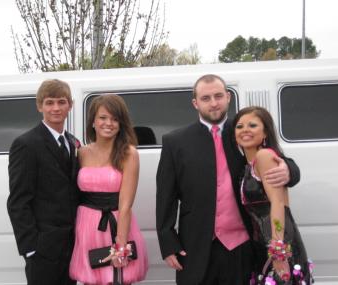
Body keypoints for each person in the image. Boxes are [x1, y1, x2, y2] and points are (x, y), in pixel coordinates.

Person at [156, 74, 301, 285]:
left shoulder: (244, 131)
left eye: (218, 96)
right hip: (195, 246)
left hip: (242, 246)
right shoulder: (175, 142)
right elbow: (165, 197)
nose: (214, 103)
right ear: (195, 103)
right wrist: (168, 243)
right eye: (206, 98)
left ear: (228, 97)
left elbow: (276, 156)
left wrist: (289, 170)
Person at [7, 79, 80, 285]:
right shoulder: (26, 144)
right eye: (49, 102)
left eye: (61, 102)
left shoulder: (73, 142)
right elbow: (18, 202)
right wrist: (31, 248)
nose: (55, 108)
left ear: (70, 106)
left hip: (71, 247)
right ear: (40, 106)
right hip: (43, 252)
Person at [69, 94, 148, 285]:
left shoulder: (128, 153)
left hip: (116, 225)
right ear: (93, 122)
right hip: (86, 226)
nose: (108, 123)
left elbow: (126, 204)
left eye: (114, 119)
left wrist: (120, 247)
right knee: (90, 279)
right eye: (103, 118)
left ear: (121, 124)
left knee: (118, 280)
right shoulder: (82, 152)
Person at [233, 106, 313, 284]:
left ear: (265, 133)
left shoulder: (264, 156)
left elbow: (277, 203)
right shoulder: (247, 165)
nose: (245, 129)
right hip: (262, 246)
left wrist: (278, 251)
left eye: (252, 125)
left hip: (279, 246)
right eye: (239, 126)